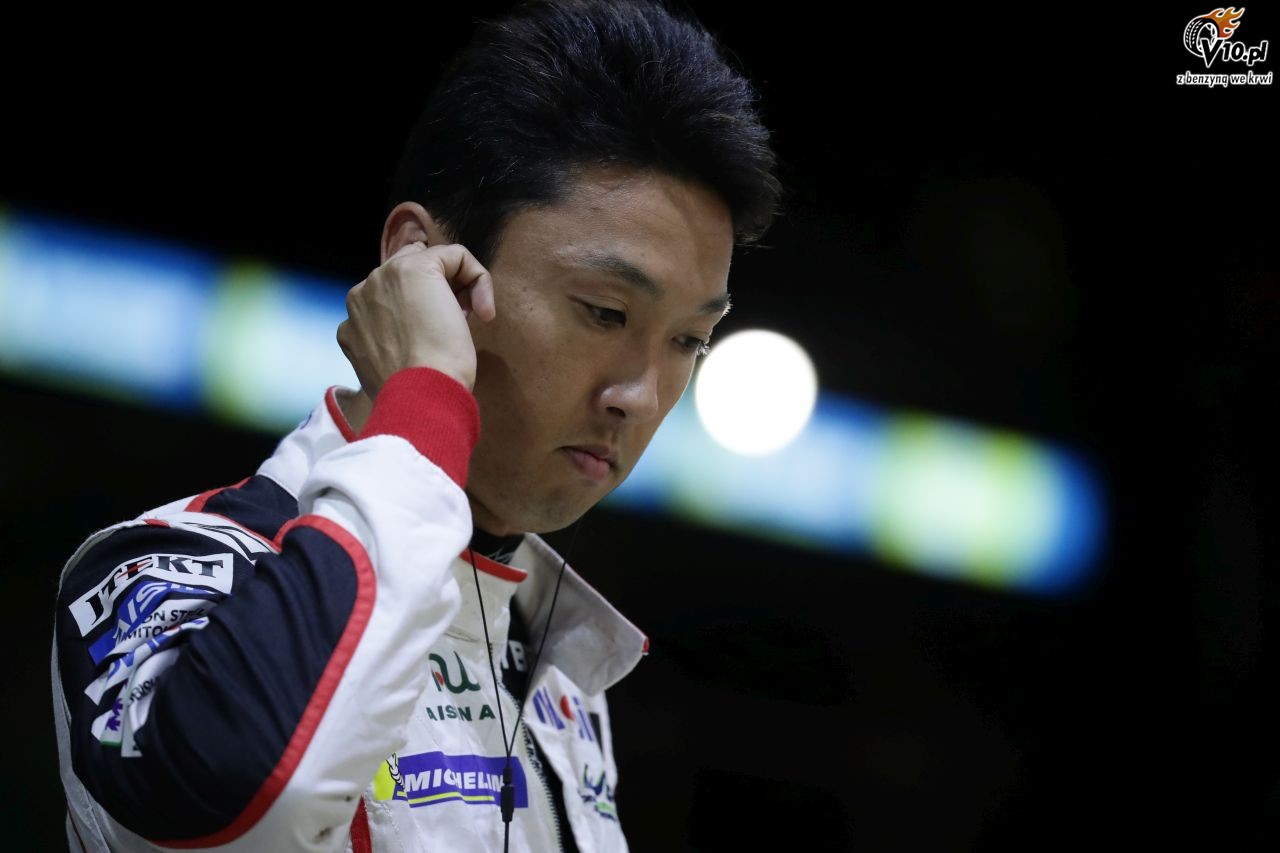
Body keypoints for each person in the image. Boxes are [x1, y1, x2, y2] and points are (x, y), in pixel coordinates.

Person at [49, 0, 781, 849]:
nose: (643, 396)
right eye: (605, 312)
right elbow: (247, 797)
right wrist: (423, 399)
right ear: (421, 265)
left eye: (689, 340)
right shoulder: (164, 570)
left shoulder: (557, 665)